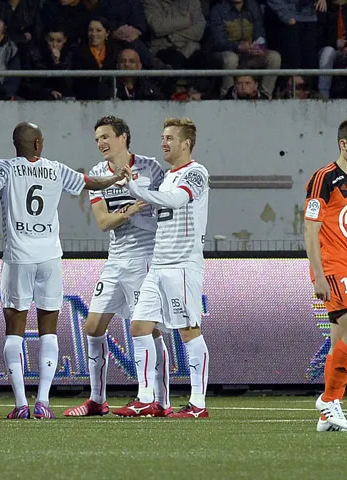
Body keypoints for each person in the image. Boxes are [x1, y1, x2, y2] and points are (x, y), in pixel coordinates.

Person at [0, 122, 132, 419]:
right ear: (39, 143)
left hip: (19, 258)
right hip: (50, 257)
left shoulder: (5, 167)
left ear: (16, 144)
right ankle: (43, 402)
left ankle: (20, 404)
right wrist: (116, 177)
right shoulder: (55, 168)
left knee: (14, 331)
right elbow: (91, 182)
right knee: (48, 330)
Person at [64, 116, 165, 417]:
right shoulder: (97, 174)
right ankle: (97, 400)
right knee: (92, 327)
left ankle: (156, 399)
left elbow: (165, 207)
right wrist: (129, 210)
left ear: (123, 137)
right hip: (116, 259)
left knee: (146, 329)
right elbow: (103, 222)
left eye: (106, 137)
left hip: (144, 257)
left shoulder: (150, 168)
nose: (101, 143)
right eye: (97, 139)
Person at [113, 118, 211, 419]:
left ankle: (198, 404)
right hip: (158, 263)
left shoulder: (196, 173)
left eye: (169, 138)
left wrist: (134, 188)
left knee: (189, 331)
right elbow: (161, 212)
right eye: (162, 137)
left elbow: (175, 200)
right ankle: (146, 398)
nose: (163, 143)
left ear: (186, 143)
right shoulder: (167, 176)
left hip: (182, 265)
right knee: (139, 326)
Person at [304, 117, 347, 432]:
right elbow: (310, 229)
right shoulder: (324, 178)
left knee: (339, 343)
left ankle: (329, 416)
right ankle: (328, 399)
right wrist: (318, 275)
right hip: (331, 267)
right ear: (343, 145)